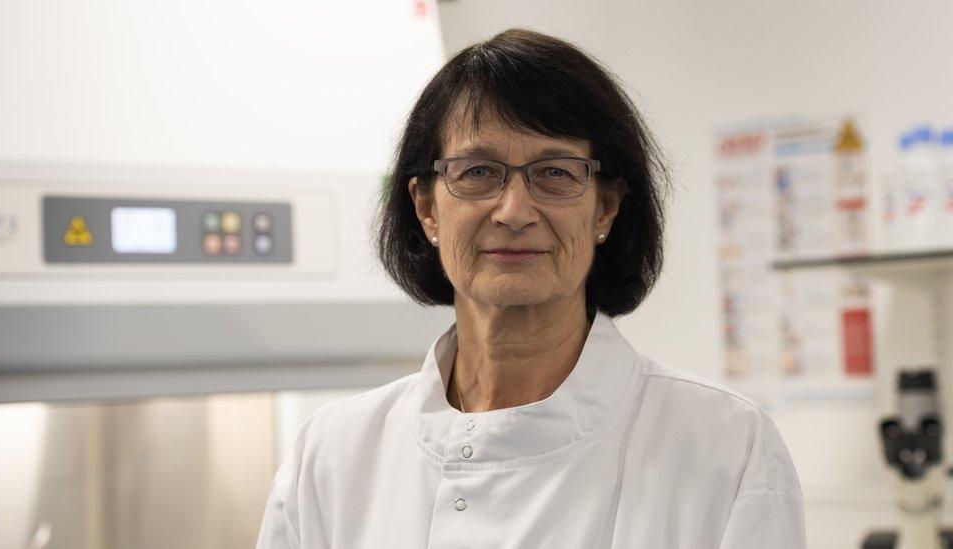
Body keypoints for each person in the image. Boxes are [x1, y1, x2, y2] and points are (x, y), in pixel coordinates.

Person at [256, 28, 805, 548]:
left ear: (605, 208)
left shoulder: (725, 445)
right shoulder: (330, 456)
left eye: (556, 173)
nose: (514, 211)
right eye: (476, 172)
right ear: (426, 208)